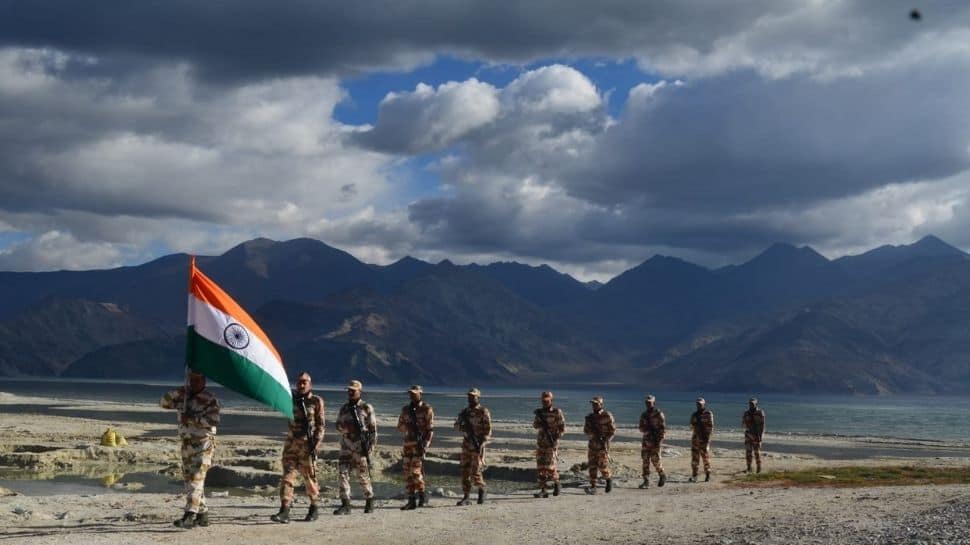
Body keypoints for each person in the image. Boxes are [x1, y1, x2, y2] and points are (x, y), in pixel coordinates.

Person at [160, 371, 220, 529]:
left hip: (203, 444)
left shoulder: (209, 399)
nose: (193, 383)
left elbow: (213, 420)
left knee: (196, 478)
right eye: (191, 380)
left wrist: (192, 419)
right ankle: (203, 514)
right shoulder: (183, 397)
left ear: (204, 382)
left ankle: (189, 514)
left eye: (197, 380)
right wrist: (178, 391)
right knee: (189, 479)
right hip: (186, 444)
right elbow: (163, 403)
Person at [271, 371, 325, 523]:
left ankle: (314, 507)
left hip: (307, 446)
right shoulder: (290, 398)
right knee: (287, 477)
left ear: (310, 384)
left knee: (309, 478)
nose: (301, 384)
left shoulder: (316, 401)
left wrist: (315, 444)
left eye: (304, 382)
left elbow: (321, 426)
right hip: (291, 445)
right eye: (299, 382)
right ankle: (284, 510)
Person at [334, 380, 377, 514]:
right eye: (349, 390)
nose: (351, 392)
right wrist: (346, 429)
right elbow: (337, 425)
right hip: (346, 446)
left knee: (362, 476)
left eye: (353, 390)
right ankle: (345, 504)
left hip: (360, 447)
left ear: (360, 391)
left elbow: (373, 430)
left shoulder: (366, 408)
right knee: (343, 474)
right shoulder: (344, 408)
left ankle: (369, 500)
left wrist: (370, 447)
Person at [396, 385, 434, 510]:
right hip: (407, 445)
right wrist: (407, 426)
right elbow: (400, 427)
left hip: (419, 446)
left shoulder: (426, 409)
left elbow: (430, 430)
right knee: (407, 473)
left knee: (416, 472)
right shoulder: (405, 409)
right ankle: (411, 500)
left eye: (414, 393)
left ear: (420, 394)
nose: (412, 395)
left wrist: (426, 445)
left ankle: (422, 494)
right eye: (410, 393)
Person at [454, 388, 491, 505]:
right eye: (469, 396)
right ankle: (466, 497)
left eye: (473, 396)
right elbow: (456, 426)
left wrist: (482, 444)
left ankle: (482, 491)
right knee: (465, 471)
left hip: (477, 445)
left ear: (478, 398)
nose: (470, 398)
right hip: (466, 445)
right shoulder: (464, 412)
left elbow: (488, 430)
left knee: (476, 471)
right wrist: (463, 428)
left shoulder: (483, 412)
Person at [532, 391, 565, 498]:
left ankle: (556, 483)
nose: (545, 403)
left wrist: (555, 437)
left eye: (547, 401)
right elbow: (535, 425)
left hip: (551, 443)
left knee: (550, 466)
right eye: (543, 401)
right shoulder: (539, 413)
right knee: (541, 467)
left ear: (551, 400)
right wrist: (540, 423)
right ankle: (543, 490)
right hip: (541, 443)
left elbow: (562, 428)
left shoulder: (556, 412)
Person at [583, 395, 616, 494]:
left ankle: (608, 479)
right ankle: (593, 486)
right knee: (592, 466)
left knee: (602, 466)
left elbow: (612, 430)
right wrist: (591, 433)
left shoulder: (607, 415)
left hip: (603, 445)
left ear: (601, 404)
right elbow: (585, 430)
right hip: (592, 445)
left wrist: (606, 440)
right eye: (593, 404)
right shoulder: (589, 417)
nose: (594, 405)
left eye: (596, 404)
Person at [638, 394, 667, 489]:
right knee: (645, 461)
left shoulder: (658, 414)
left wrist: (659, 441)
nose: (648, 404)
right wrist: (646, 430)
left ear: (653, 403)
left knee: (655, 460)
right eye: (646, 402)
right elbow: (640, 428)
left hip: (655, 441)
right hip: (646, 441)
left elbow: (663, 429)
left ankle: (662, 475)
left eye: (649, 402)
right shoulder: (644, 414)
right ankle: (646, 481)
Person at [689, 397, 715, 482]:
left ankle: (708, 474)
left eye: (700, 404)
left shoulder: (708, 414)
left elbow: (711, 427)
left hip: (704, 439)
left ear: (704, 404)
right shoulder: (694, 414)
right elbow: (691, 426)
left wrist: (708, 439)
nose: (699, 405)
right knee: (694, 459)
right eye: (698, 404)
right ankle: (694, 475)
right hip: (696, 439)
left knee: (705, 457)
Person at [743, 397, 766, 473]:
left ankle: (759, 468)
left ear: (756, 404)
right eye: (750, 404)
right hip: (748, 435)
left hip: (756, 435)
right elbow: (743, 423)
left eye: (752, 404)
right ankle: (749, 468)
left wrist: (760, 436)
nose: (751, 405)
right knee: (748, 452)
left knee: (757, 452)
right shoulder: (746, 413)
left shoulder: (760, 413)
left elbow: (762, 425)